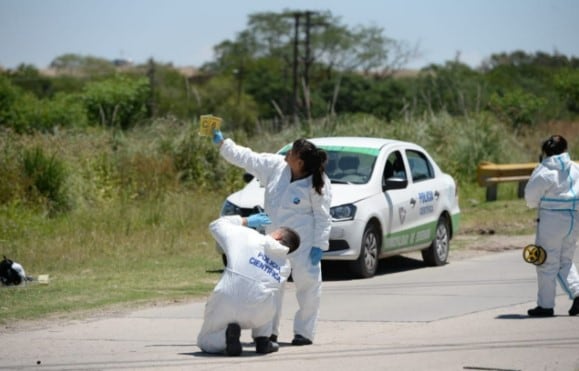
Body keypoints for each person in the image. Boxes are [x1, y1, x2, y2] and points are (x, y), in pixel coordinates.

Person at [212, 129, 332, 345]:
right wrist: (224, 144)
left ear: (300, 163)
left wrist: (319, 245)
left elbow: (323, 216)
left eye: (292, 153)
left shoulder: (318, 182)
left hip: (303, 244)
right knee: (270, 286)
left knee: (308, 287)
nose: (286, 154)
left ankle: (304, 332)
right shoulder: (276, 166)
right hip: (274, 240)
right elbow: (247, 157)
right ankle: (268, 332)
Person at [197, 214, 300, 356]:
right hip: (258, 314)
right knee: (268, 294)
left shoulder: (248, 235)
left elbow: (216, 225)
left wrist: (245, 221)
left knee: (205, 340)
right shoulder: (285, 266)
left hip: (227, 301)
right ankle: (263, 339)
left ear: (277, 236)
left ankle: (225, 339)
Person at [524, 134, 579, 317]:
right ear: (565, 149)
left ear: (545, 151)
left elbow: (530, 198)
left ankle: (546, 306)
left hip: (551, 221)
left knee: (546, 261)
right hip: (574, 219)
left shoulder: (544, 170)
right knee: (566, 260)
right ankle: (577, 293)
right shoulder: (575, 168)